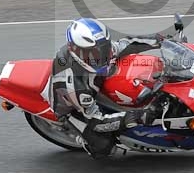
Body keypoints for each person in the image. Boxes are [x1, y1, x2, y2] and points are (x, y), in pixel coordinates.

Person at [50, 17, 163, 158]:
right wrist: (133, 117)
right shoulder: (75, 87)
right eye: (94, 54)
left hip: (93, 84)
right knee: (104, 146)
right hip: (75, 108)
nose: (103, 56)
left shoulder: (99, 50)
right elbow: (97, 121)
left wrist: (161, 40)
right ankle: (84, 141)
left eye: (104, 49)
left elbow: (128, 44)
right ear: (76, 52)